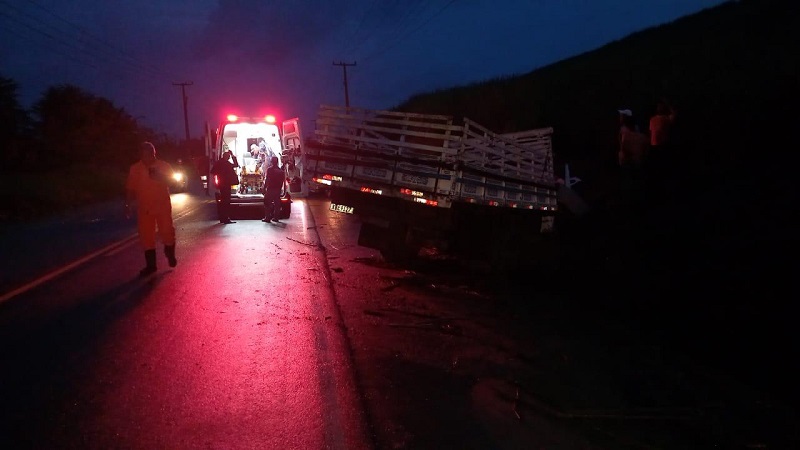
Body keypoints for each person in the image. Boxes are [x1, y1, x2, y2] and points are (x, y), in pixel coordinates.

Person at [125, 141, 177, 277]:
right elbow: (131, 188)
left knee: (167, 231)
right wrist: (128, 204)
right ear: (140, 155)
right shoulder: (135, 169)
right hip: (145, 208)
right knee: (146, 235)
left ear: (154, 153)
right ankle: (151, 265)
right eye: (143, 154)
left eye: (149, 154)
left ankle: (170, 253)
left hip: (162, 206)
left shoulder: (164, 166)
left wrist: (161, 177)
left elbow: (173, 182)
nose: (146, 157)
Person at [210, 150, 239, 224]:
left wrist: (218, 179)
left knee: (222, 202)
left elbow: (212, 172)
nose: (229, 158)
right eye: (229, 157)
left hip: (221, 184)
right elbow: (236, 164)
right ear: (227, 157)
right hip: (226, 184)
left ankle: (222, 218)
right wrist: (233, 155)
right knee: (226, 201)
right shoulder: (226, 163)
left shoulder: (219, 163)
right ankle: (226, 218)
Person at [262, 156, 285, 223]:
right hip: (277, 189)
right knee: (277, 204)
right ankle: (276, 218)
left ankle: (267, 217)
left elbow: (267, 179)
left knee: (267, 203)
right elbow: (282, 181)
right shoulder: (281, 171)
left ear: (271, 162)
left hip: (271, 189)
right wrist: (280, 189)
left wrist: (264, 187)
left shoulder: (270, 170)